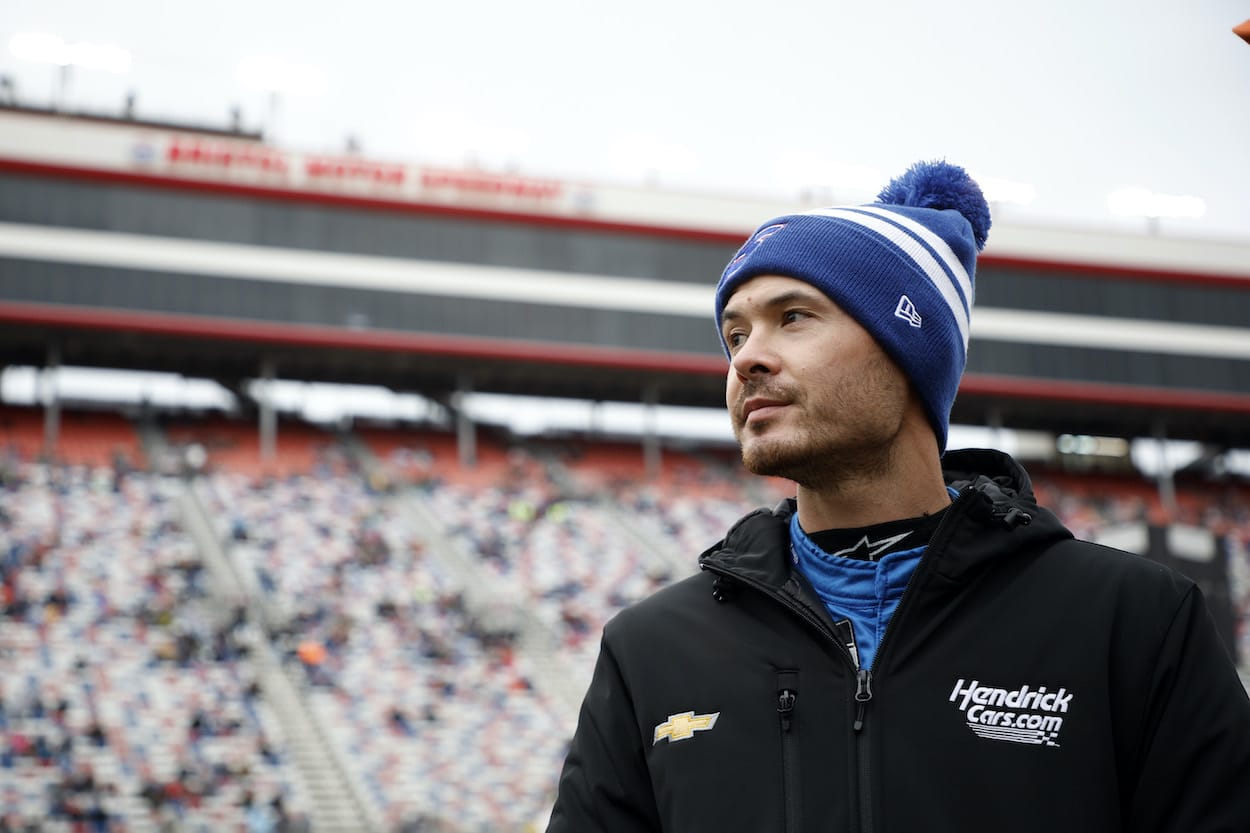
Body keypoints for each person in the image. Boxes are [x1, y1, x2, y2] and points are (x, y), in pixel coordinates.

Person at [545, 160, 1250, 832]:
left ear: (906, 346)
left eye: (794, 316)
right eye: (735, 332)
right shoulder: (651, 650)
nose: (746, 357)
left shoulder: (1131, 622)